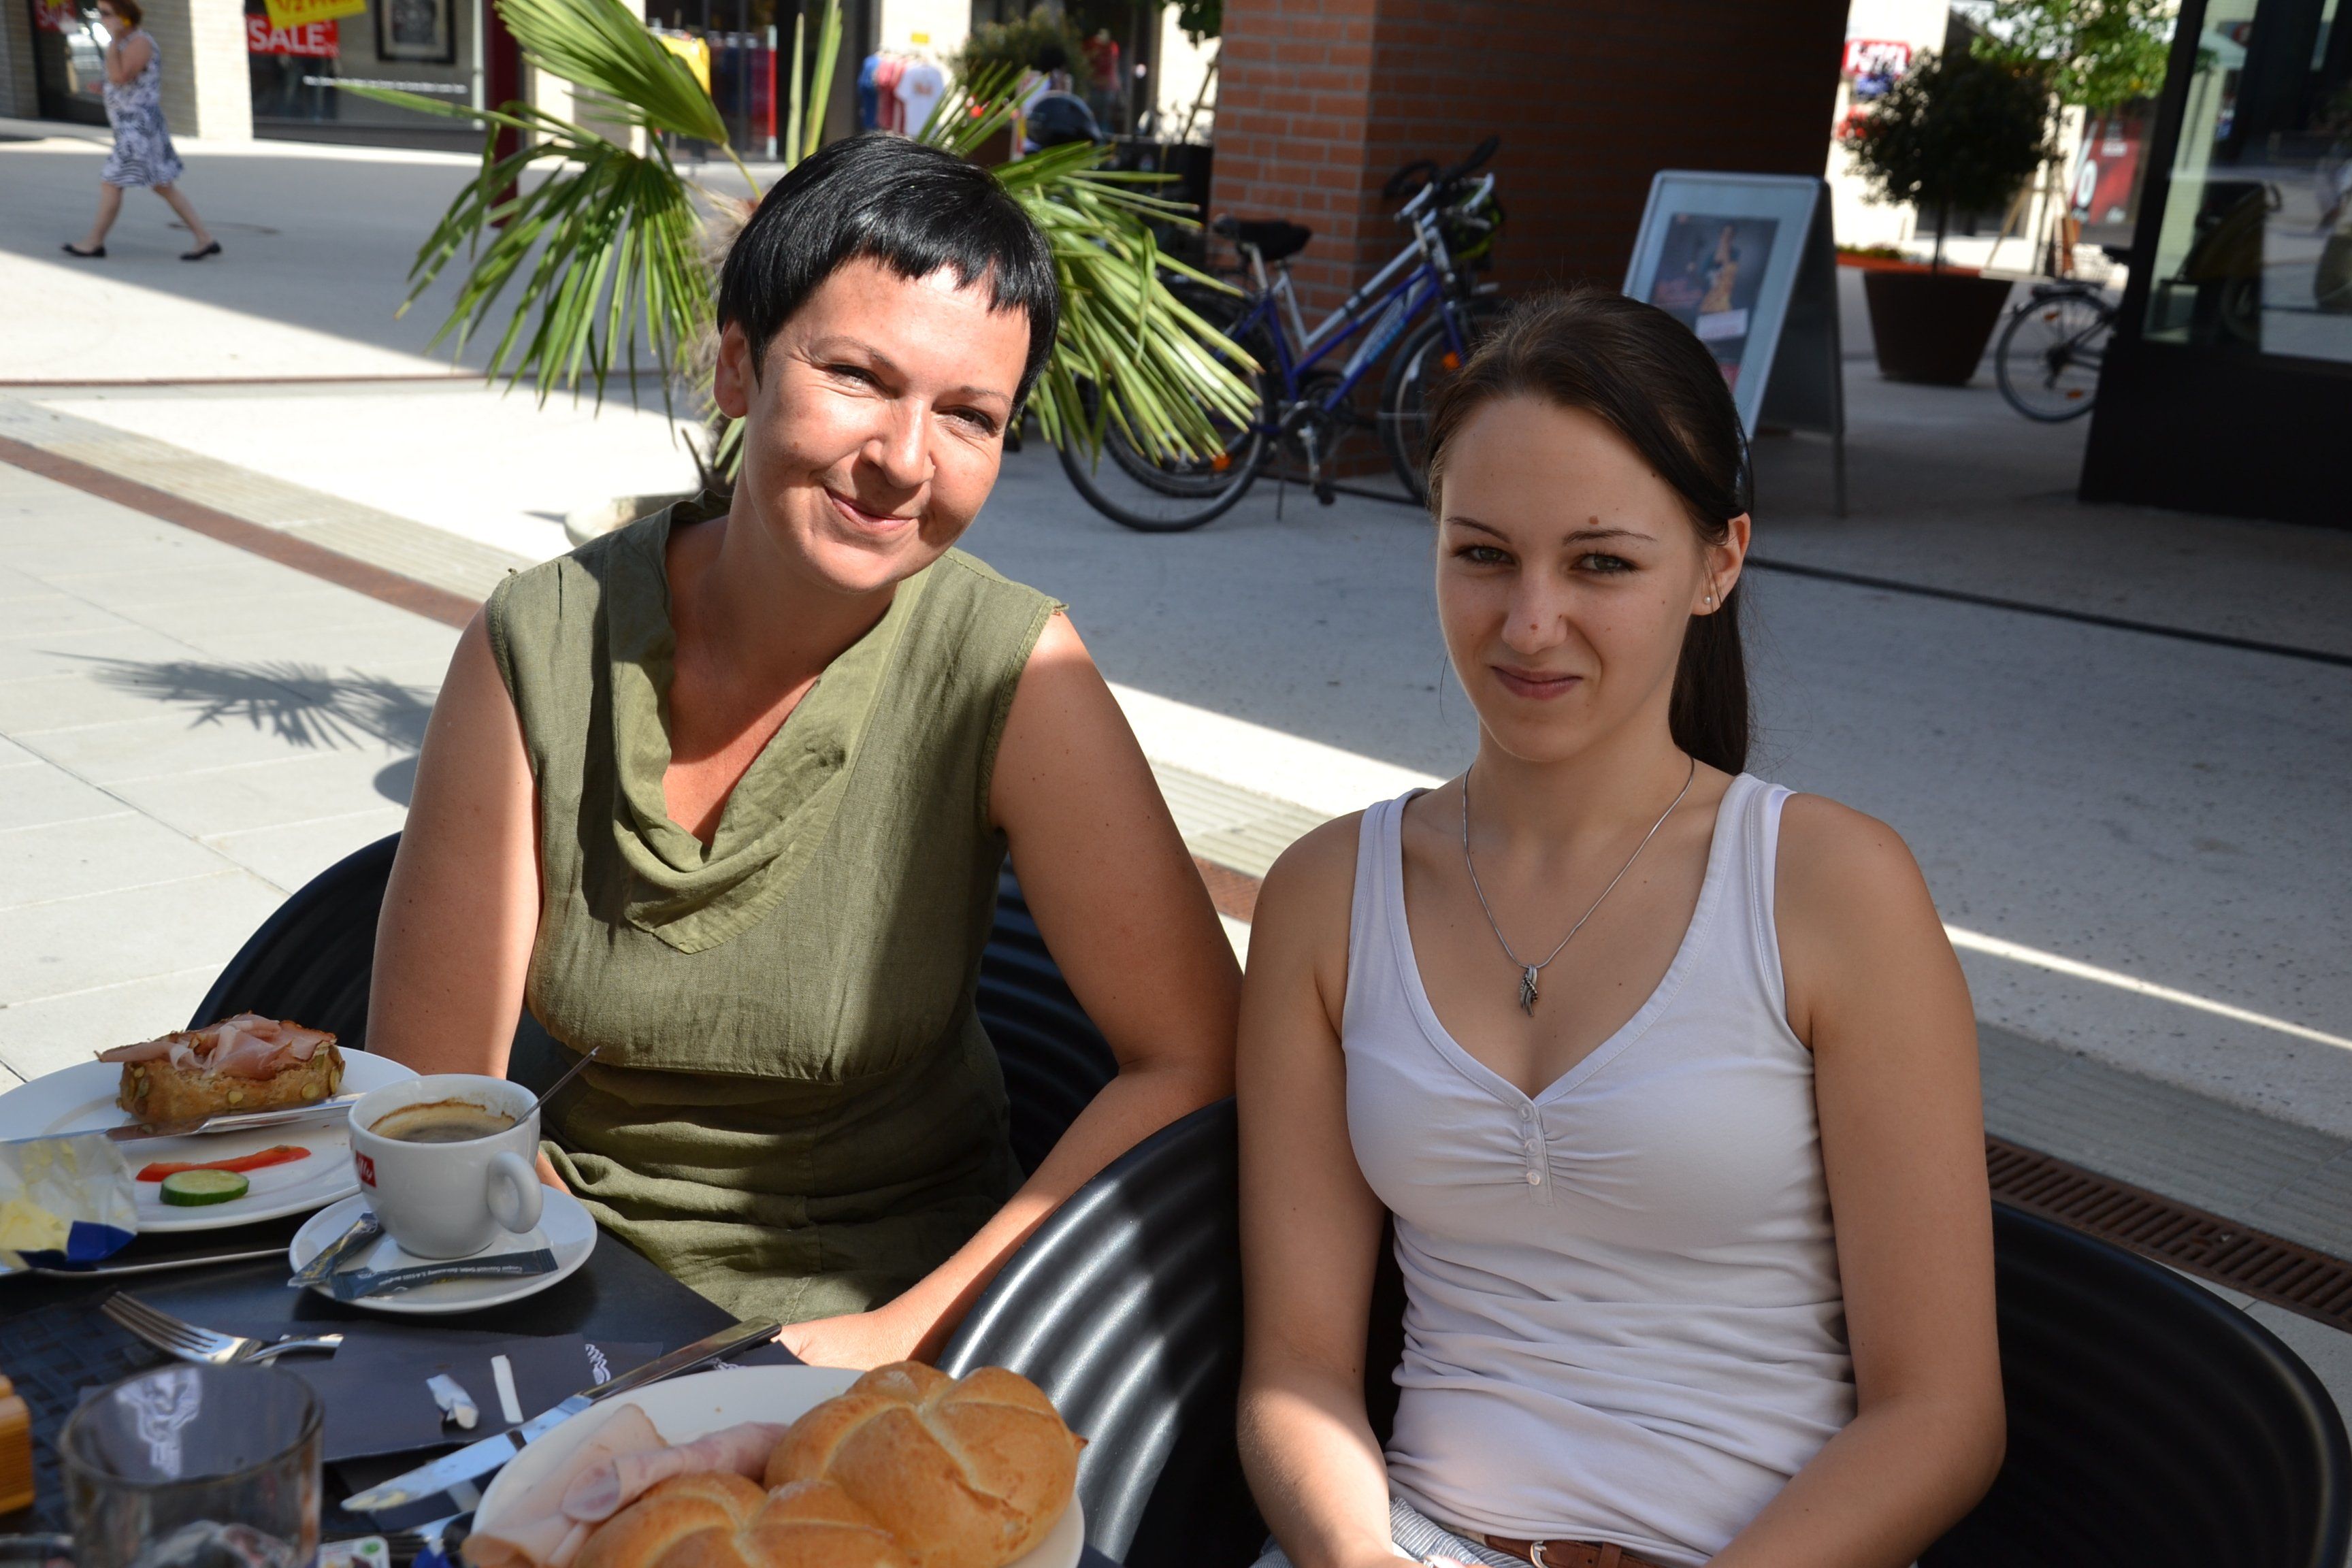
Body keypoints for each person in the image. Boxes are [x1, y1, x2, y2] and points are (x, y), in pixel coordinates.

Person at [368, 135, 1238, 1369]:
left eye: (970, 416)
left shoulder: (1012, 668)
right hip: (569, 1281)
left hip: (896, 1317)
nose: (904, 460)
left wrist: (897, 1334)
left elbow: (1197, 1054)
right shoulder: (541, 643)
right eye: (857, 377)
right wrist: (584, 1338)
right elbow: (436, 1099)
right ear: (739, 365)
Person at [1235, 289, 2003, 1568]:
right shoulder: (1328, 893)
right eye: (1483, 553)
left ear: (1718, 563)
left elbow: (1940, 1413)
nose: (1530, 622)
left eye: (1601, 563)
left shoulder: (1830, 888)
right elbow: (1297, 1367)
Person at [62, 0, 220, 263]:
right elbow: (123, 81)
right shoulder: (126, 43)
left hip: (139, 128)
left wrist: (113, 41)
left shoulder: (139, 42)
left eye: (106, 13)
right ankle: (205, 238)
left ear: (123, 16)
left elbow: (120, 76)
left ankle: (94, 242)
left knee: (111, 182)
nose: (102, 18)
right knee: (162, 185)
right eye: (101, 13)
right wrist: (105, 87)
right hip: (132, 126)